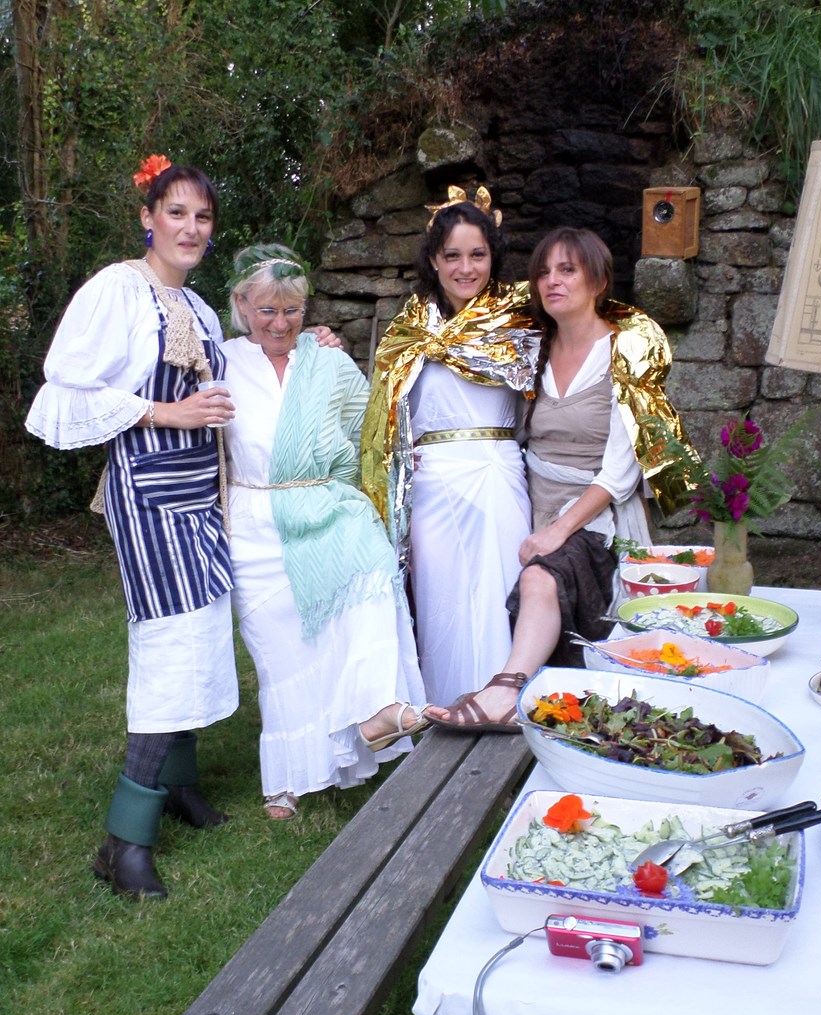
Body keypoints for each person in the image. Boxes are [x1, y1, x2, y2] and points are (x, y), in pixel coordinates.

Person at [25, 155, 238, 898]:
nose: (190, 227)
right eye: (176, 212)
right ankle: (122, 843)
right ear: (148, 218)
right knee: (171, 647)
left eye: (202, 216)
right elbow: (64, 386)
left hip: (199, 494)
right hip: (148, 494)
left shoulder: (199, 308)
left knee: (202, 634)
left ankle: (177, 786)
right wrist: (165, 411)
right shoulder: (118, 290)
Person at [427, 227, 693, 731]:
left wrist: (558, 530)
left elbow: (620, 471)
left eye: (568, 270)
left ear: (598, 281)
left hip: (595, 517)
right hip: (533, 505)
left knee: (540, 576)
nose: (553, 281)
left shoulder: (624, 353)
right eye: (544, 272)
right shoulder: (534, 351)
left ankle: (506, 692)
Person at [221, 244, 427, 819]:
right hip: (255, 519)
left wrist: (364, 497)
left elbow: (366, 435)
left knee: (372, 575)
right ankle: (288, 775)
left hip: (326, 505)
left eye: (292, 310)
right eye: (267, 310)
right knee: (280, 654)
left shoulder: (328, 362)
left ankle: (376, 709)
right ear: (241, 304)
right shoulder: (222, 362)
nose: (280, 323)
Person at [360, 186, 541, 708]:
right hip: (432, 483)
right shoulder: (410, 329)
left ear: (493, 257)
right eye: (453, 255)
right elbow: (384, 413)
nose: (466, 268)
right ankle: (444, 711)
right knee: (441, 603)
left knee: (501, 595)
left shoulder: (519, 320)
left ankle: (506, 708)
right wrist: (401, 455)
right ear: (434, 260)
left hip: (497, 472)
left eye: (477, 255)